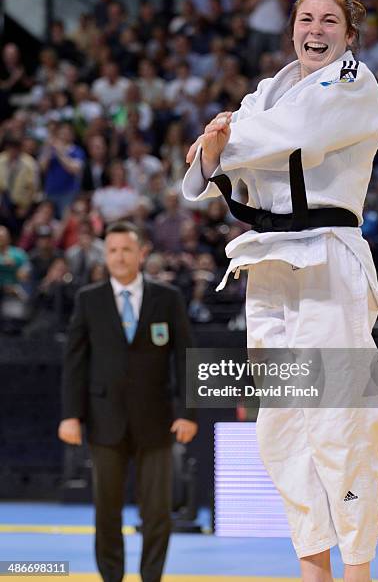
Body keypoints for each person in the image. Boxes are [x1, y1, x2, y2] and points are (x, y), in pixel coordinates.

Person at [183, 0, 378, 582]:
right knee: (281, 427)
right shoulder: (266, 94)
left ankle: (357, 570)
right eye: (305, 18)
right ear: (291, 27)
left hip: (327, 257)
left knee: (339, 420)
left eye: (329, 21)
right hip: (267, 264)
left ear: (349, 36)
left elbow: (296, 138)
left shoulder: (354, 83)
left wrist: (225, 142)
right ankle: (312, 568)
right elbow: (198, 177)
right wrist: (219, 149)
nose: (315, 30)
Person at [58, 221, 197, 582]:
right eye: (113, 250)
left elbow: (185, 359)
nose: (119, 257)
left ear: (141, 253)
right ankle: (111, 577)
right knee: (107, 513)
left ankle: (151, 577)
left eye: (126, 250)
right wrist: (71, 415)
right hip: (104, 420)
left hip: (158, 419)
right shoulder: (88, 299)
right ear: (106, 255)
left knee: (157, 513)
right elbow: (75, 362)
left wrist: (188, 413)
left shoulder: (167, 298)